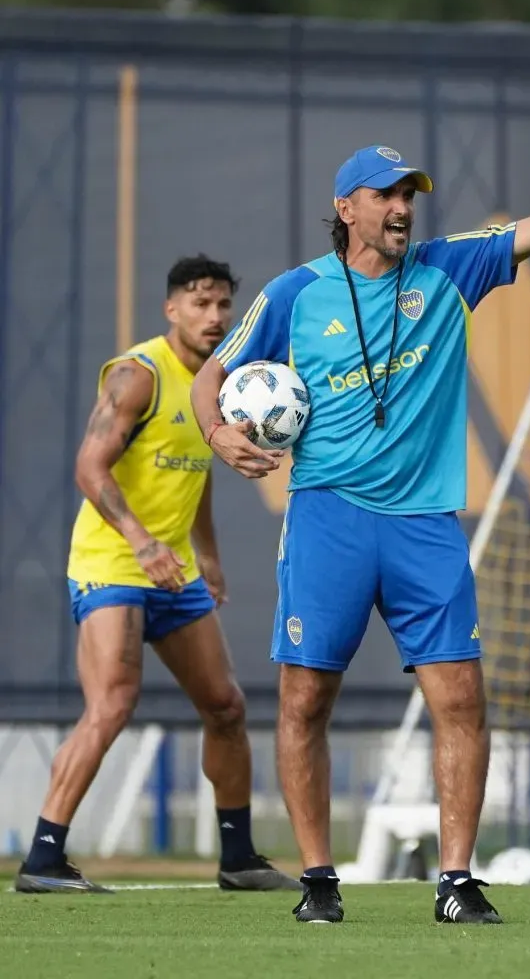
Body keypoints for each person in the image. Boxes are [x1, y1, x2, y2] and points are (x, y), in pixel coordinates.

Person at [190, 147, 530, 924]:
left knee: (461, 699)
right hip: (328, 517)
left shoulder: (451, 269)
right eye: (385, 194)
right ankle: (318, 880)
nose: (402, 207)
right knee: (304, 699)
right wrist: (217, 432)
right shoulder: (295, 293)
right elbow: (211, 376)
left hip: (426, 524)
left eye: (409, 194)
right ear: (346, 208)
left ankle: (456, 882)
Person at [15, 255, 300, 895]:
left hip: (175, 571)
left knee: (225, 707)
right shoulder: (137, 375)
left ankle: (237, 859)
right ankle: (43, 859)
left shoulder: (220, 386)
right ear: (172, 309)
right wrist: (142, 543)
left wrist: (210, 556)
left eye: (223, 305)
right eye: (200, 304)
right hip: (112, 564)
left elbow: (192, 474)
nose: (214, 316)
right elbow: (89, 467)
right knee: (113, 703)